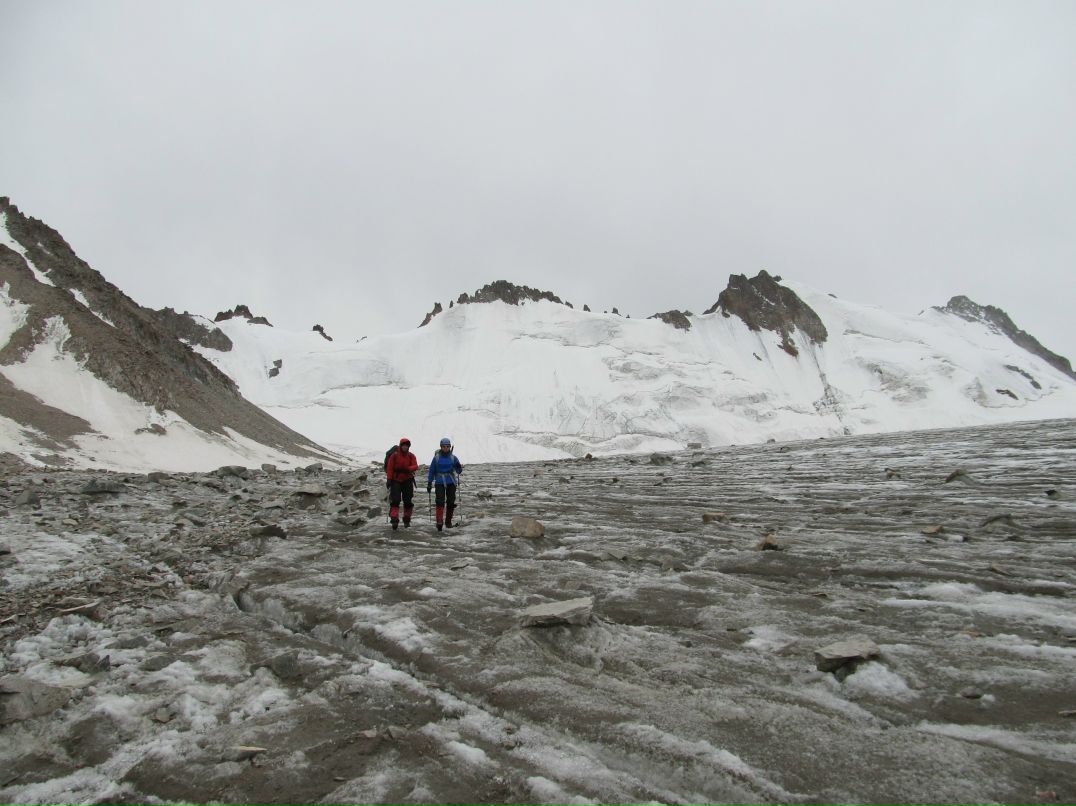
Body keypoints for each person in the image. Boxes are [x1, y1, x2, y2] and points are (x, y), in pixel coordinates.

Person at [426, 437, 463, 531]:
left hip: (451, 482)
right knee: (440, 501)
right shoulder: (436, 458)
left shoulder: (453, 458)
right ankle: (439, 521)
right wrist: (429, 482)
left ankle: (448, 522)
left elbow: (458, 471)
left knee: (451, 502)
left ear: (449, 447)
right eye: (444, 446)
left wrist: (459, 467)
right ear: (441, 447)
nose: (446, 448)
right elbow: (431, 471)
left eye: (447, 446)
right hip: (439, 481)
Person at [385, 437, 418, 529]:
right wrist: (389, 479)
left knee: (407, 501)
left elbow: (416, 466)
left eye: (407, 445)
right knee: (395, 500)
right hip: (396, 480)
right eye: (403, 445)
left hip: (407, 479)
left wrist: (409, 468)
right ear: (400, 446)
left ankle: (407, 519)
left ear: (408, 447)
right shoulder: (394, 455)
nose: (405, 447)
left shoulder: (411, 456)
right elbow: (390, 468)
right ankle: (394, 519)